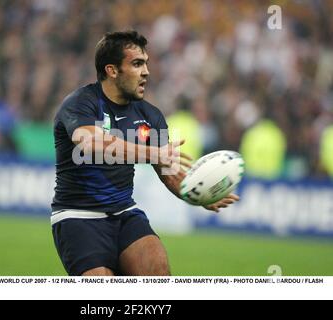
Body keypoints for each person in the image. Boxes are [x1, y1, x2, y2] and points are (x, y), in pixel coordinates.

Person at [51, 30, 239, 276]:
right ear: (112, 70)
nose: (146, 72)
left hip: (124, 214)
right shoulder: (80, 103)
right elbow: (91, 143)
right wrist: (152, 153)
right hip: (77, 217)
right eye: (137, 64)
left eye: (146, 63)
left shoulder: (151, 116)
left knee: (157, 271)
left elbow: (169, 175)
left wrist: (199, 192)